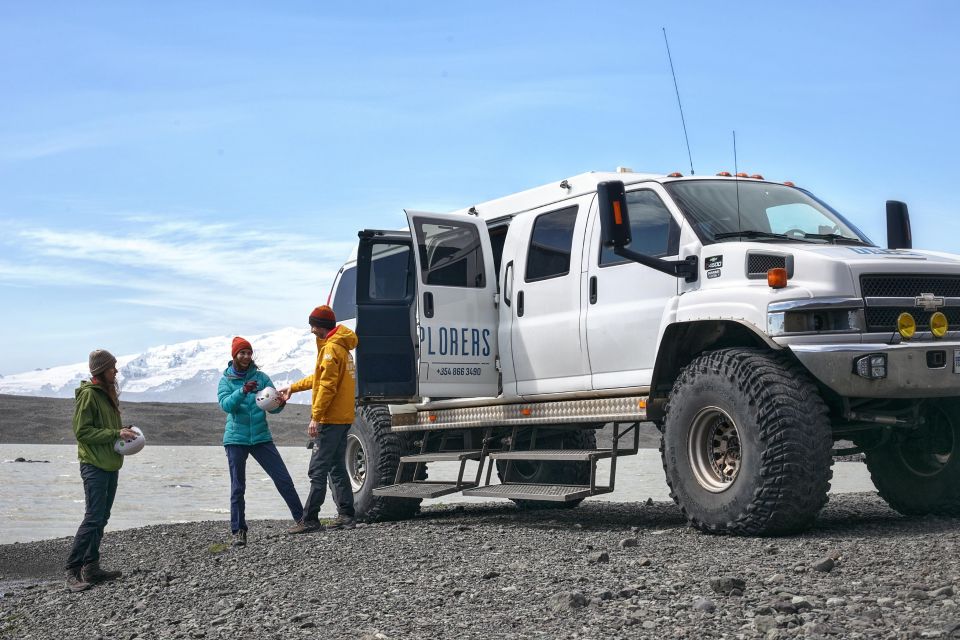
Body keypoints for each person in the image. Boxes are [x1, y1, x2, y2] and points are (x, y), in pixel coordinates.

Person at [218, 337, 304, 546]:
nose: (247, 357)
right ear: (235, 356)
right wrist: (243, 391)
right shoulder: (226, 380)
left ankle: (302, 519)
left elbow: (273, 405)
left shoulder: (262, 377)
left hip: (260, 437)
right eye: (242, 353)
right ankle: (239, 531)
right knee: (238, 486)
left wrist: (280, 402)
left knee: (282, 478)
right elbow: (226, 406)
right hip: (235, 439)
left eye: (249, 353)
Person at [64, 349, 138, 592]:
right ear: (100, 370)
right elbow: (82, 432)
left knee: (102, 518)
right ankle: (72, 572)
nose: (116, 371)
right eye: (112, 367)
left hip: (110, 463)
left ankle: (92, 567)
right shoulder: (89, 396)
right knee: (93, 517)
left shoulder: (108, 394)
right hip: (93, 464)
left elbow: (105, 428)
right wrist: (115, 433)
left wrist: (122, 428)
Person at [280, 305, 358, 533]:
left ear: (321, 326)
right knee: (336, 467)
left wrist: (316, 417)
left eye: (313, 325)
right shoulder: (341, 348)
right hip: (343, 419)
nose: (312, 330)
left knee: (317, 469)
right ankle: (346, 516)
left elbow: (326, 386)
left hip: (331, 420)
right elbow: (320, 377)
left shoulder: (331, 350)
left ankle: (311, 519)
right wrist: (293, 388)